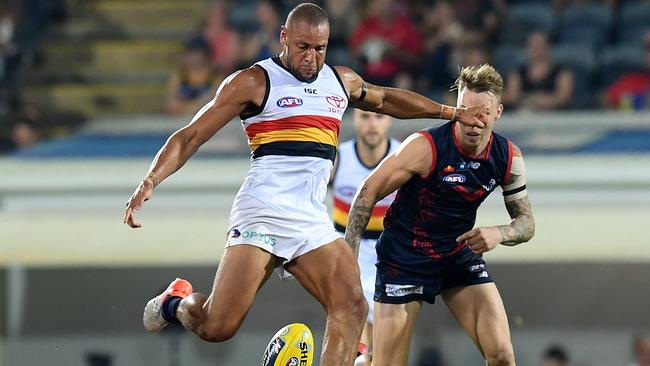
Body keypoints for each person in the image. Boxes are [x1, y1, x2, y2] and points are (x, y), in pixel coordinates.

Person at [124, 4, 485, 366]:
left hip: (310, 219)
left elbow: (386, 99)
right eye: (303, 47)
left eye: (320, 48)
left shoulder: (340, 81)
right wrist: (151, 179)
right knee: (217, 327)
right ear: (283, 37)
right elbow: (191, 136)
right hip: (263, 212)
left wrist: (449, 112)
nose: (311, 58)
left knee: (352, 305)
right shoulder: (253, 81)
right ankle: (176, 300)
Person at [345, 64, 535, 366]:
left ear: (498, 111)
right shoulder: (425, 147)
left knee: (502, 355)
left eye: (482, 113)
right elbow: (367, 193)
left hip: (457, 253)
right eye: (464, 111)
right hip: (404, 259)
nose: (473, 121)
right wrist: (348, 260)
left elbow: (526, 224)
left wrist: (499, 232)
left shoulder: (508, 157)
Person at [329, 109, 400, 366]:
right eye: (365, 117)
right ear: (354, 120)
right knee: (349, 319)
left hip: (387, 250)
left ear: (389, 119)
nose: (372, 124)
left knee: (380, 337)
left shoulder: (403, 154)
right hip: (347, 249)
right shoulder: (339, 156)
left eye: (379, 117)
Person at [504, 31, 574, 110]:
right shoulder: (517, 73)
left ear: (548, 47)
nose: (535, 48)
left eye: (539, 44)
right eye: (532, 45)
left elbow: (563, 98)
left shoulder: (563, 72)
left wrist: (535, 100)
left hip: (555, 117)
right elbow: (512, 97)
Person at [166, 37, 222, 117]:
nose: (191, 58)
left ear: (204, 55)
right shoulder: (180, 75)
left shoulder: (215, 76)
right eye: (188, 54)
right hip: (181, 119)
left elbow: (212, 104)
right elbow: (171, 104)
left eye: (195, 54)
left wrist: (188, 108)